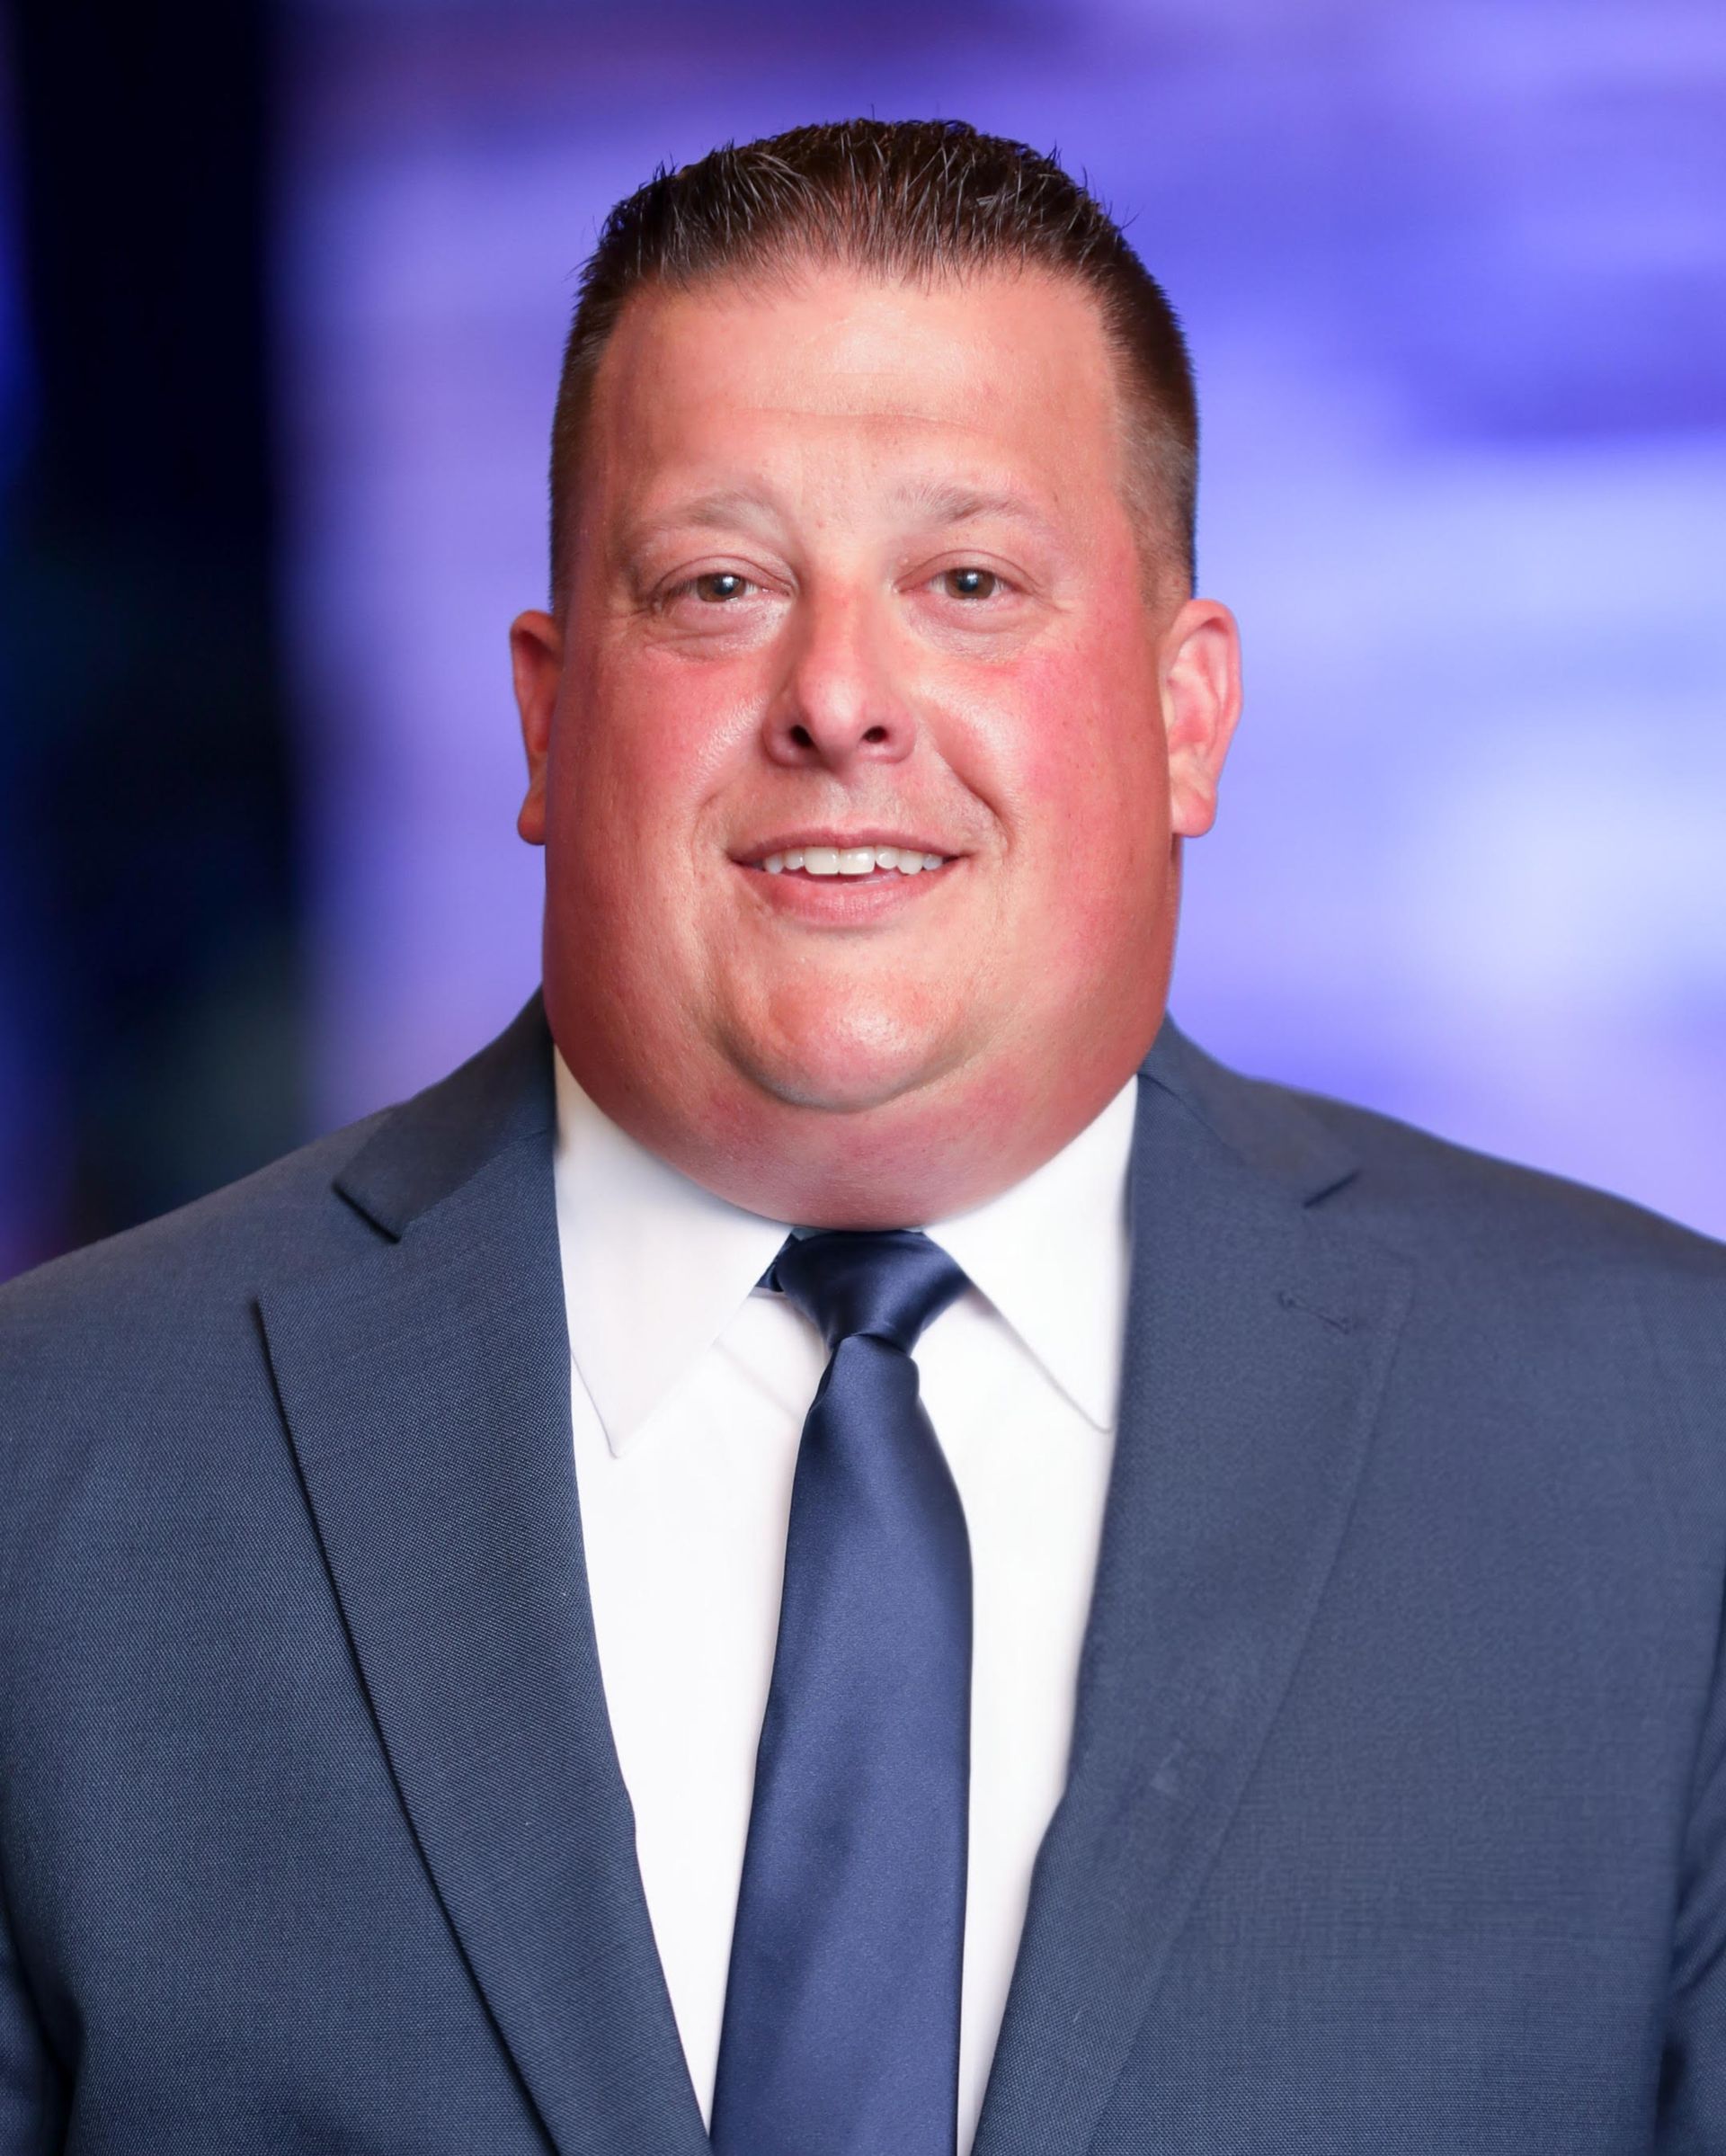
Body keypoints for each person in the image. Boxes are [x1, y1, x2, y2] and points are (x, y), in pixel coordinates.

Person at [1, 117, 1722, 2156]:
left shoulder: (1668, 1444)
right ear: (548, 714)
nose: (839, 697)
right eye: (718, 585)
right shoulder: (56, 1456)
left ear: (1188, 713)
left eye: (968, 582)